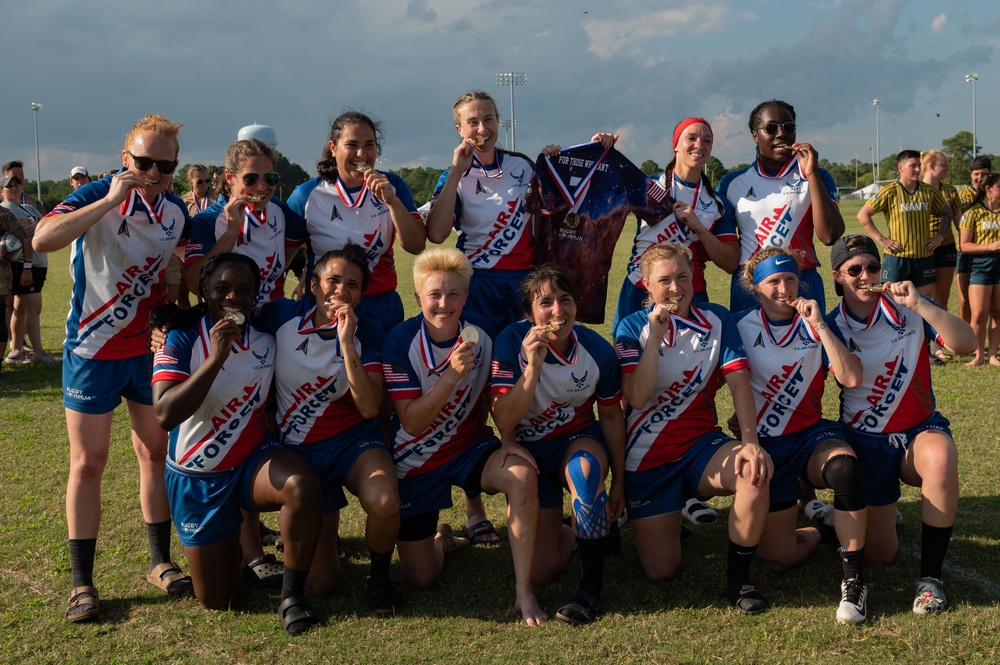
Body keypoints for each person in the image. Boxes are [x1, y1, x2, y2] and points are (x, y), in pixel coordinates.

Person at [33, 114, 193, 623]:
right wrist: (108, 200)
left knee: (155, 452)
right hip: (92, 349)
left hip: (143, 353)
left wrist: (168, 315)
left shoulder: (175, 212)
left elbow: (170, 276)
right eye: (143, 162)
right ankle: (82, 582)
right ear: (125, 159)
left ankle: (159, 561)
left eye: (164, 166)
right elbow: (43, 240)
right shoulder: (97, 193)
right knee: (89, 462)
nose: (152, 173)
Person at [151, 253, 322, 635]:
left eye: (244, 290)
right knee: (219, 599)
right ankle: (234, 556)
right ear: (204, 292)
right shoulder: (179, 337)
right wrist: (215, 360)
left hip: (250, 462)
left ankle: (292, 597)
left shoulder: (265, 335)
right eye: (222, 288)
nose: (233, 297)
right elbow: (164, 414)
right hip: (198, 475)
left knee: (301, 485)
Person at [382, 247, 543, 625]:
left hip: (469, 448)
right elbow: (412, 423)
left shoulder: (484, 330)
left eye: (453, 294)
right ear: (418, 296)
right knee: (420, 579)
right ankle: (442, 540)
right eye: (434, 294)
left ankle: (524, 590)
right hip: (414, 459)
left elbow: (492, 393)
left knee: (521, 473)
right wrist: (451, 375)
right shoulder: (399, 341)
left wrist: (507, 438)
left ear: (466, 297)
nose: (444, 303)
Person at [615, 242, 772, 614]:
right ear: (646, 284)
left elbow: (738, 381)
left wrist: (750, 442)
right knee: (660, 571)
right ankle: (665, 510)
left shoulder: (717, 319)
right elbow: (636, 398)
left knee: (753, 472)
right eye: (664, 280)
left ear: (694, 277)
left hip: (702, 447)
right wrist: (655, 336)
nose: (675, 288)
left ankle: (738, 580)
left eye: (682, 277)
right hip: (647, 458)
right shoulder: (631, 326)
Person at [827, 234, 977, 615]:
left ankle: (931, 580)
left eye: (873, 267)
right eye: (855, 269)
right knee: (881, 556)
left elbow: (967, 344)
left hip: (917, 431)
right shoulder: (830, 325)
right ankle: (860, 517)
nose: (866, 276)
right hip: (866, 441)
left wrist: (921, 304)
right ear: (838, 277)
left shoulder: (908, 308)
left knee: (941, 456)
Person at [253, 243, 402, 613]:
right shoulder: (282, 315)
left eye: (352, 285)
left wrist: (346, 341)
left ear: (362, 295)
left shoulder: (369, 330)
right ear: (313, 284)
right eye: (332, 280)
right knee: (321, 583)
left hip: (353, 442)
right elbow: (230, 311)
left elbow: (369, 407)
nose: (341, 291)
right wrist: (166, 325)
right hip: (301, 452)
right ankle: (320, 534)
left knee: (384, 500)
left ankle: (380, 580)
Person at [733, 247, 870, 624]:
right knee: (778, 558)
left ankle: (855, 582)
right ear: (755, 287)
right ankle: (826, 531)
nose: (783, 288)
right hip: (766, 446)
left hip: (811, 437)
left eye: (790, 279)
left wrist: (820, 325)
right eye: (773, 281)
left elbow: (852, 378)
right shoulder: (739, 325)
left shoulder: (817, 321)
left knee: (844, 469)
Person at [491, 264, 625, 624]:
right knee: (541, 571)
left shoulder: (597, 350)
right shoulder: (509, 343)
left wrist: (620, 486)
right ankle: (580, 529)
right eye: (545, 302)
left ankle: (590, 590)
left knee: (586, 473)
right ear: (528, 313)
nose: (557, 312)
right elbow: (504, 420)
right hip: (531, 455)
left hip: (575, 441)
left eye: (565, 300)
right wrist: (532, 369)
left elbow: (611, 418)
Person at [287, 110, 425, 333]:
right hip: (327, 307)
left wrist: (392, 201)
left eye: (369, 145)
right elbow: (281, 262)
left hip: (381, 306)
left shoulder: (393, 185)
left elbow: (416, 245)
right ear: (333, 148)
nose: (362, 154)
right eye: (351, 144)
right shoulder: (306, 195)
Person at [718, 100, 844, 313]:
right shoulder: (732, 183)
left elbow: (830, 236)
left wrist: (811, 174)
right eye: (771, 128)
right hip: (751, 285)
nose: (781, 134)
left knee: (810, 345)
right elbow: (727, 251)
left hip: (802, 280)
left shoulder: (817, 175)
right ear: (755, 135)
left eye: (788, 127)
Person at [614, 117, 738, 333]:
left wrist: (698, 227)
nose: (700, 145)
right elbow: (597, 196)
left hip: (690, 293)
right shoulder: (649, 187)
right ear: (676, 145)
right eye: (691, 138)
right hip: (639, 288)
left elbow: (730, 263)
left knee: (691, 363)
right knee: (629, 363)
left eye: (707, 140)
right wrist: (601, 150)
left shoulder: (717, 203)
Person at [426, 90, 535, 336]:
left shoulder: (523, 165)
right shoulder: (453, 175)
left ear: (498, 122)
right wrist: (455, 173)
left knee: (524, 354)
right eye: (472, 122)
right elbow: (436, 233)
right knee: (480, 357)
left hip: (525, 279)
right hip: (477, 280)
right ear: (459, 130)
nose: (482, 129)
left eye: (488, 119)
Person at [185, 140, 305, 305]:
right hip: (230, 318)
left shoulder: (277, 207)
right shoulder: (207, 220)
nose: (262, 187)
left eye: (270, 178)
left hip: (273, 317)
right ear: (229, 177)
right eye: (251, 178)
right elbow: (194, 284)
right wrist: (231, 232)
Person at [857, 150, 946, 298]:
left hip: (924, 257)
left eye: (919, 165)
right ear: (901, 168)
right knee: (892, 302)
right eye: (913, 166)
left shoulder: (929, 191)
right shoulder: (889, 192)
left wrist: (940, 236)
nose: (917, 169)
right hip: (897, 259)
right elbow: (863, 215)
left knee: (924, 303)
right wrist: (883, 240)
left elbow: (947, 212)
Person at [0, 174, 58, 363]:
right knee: (33, 308)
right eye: (9, 187)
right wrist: (26, 267)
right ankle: (39, 354)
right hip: (27, 264)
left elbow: (48, 225)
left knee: (20, 307)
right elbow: (29, 231)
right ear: (2, 192)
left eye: (17, 185)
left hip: (38, 263)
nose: (14, 188)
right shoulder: (7, 209)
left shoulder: (27, 207)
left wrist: (39, 225)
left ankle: (16, 351)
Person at [920, 151, 963, 363]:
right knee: (922, 300)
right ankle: (921, 346)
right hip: (921, 250)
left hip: (945, 248)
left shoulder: (950, 190)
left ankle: (937, 347)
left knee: (941, 299)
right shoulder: (917, 189)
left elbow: (959, 221)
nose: (947, 169)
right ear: (930, 166)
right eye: (943, 165)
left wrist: (966, 244)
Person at [957, 172, 1000, 367]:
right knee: (979, 313)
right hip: (980, 266)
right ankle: (978, 355)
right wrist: (990, 246)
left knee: (998, 312)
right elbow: (964, 245)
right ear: (988, 188)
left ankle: (992, 356)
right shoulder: (972, 213)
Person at [956, 156, 994, 327]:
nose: (979, 177)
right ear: (970, 175)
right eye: (976, 174)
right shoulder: (962, 196)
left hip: (990, 253)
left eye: (984, 174)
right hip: (965, 250)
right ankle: (966, 334)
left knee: (992, 300)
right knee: (965, 297)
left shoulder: (994, 193)